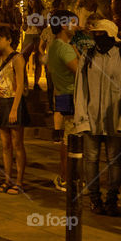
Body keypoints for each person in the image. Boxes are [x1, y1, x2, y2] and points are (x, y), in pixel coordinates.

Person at [73, 20, 121, 216]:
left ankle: (112, 199)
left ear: (110, 35)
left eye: (100, 34)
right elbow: (80, 89)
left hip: (114, 120)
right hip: (91, 120)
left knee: (114, 161)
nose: (96, 38)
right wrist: (81, 119)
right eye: (95, 34)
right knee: (91, 160)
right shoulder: (88, 57)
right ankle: (94, 198)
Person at [0, 26, 30, 194]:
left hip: (14, 102)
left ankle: (19, 181)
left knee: (17, 143)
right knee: (6, 145)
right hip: (1, 102)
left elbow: (21, 84)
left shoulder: (17, 58)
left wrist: (15, 109)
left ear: (8, 40)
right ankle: (7, 179)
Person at [46, 10, 79, 192]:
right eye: (73, 23)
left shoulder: (55, 46)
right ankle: (67, 178)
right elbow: (80, 71)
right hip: (72, 95)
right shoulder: (64, 48)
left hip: (63, 95)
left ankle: (66, 177)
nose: (76, 26)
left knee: (68, 137)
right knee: (70, 139)